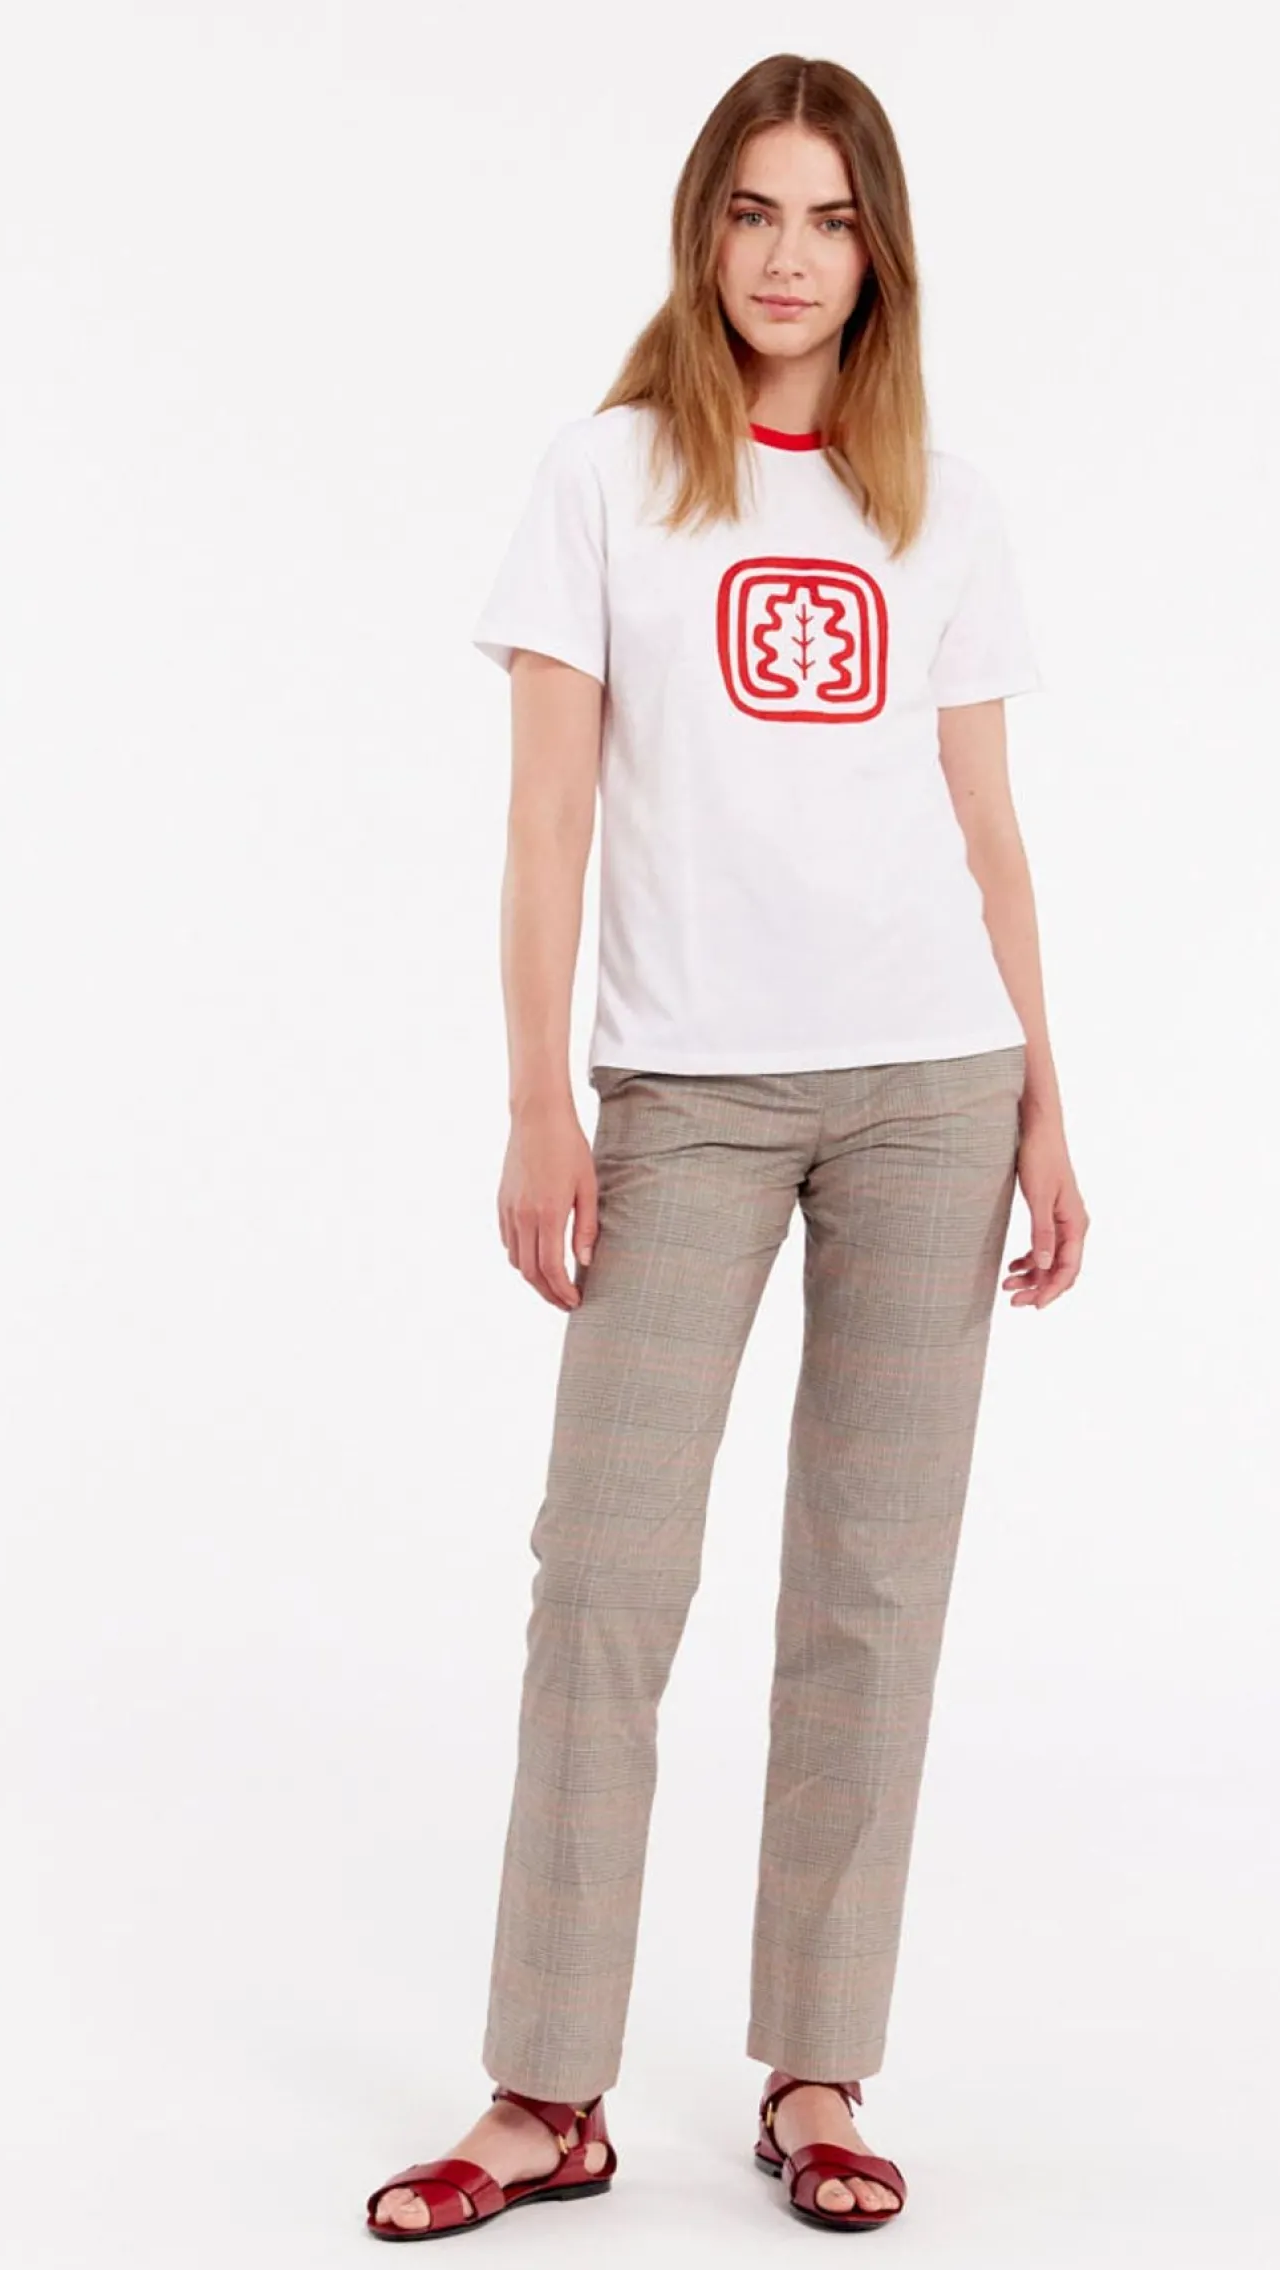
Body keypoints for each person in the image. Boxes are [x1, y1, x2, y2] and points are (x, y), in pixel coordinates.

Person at [363, 49, 1088, 2244]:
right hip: (684, 1092)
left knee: (871, 1590)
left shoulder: (940, 500)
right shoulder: (607, 478)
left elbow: (984, 823)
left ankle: (819, 2068)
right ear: (704, 233)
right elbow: (547, 821)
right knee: (604, 1573)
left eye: (830, 218)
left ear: (880, 253)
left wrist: (1049, 1096)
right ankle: (545, 2088)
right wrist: (539, 1099)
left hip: (934, 1084)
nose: (789, 255)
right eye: (755, 211)